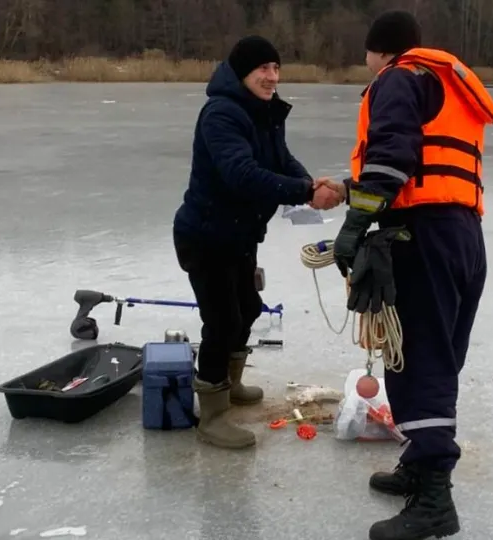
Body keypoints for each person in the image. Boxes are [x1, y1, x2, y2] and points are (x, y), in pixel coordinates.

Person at [331, 10, 493, 540]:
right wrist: (348, 187)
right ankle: (417, 465)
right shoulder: (446, 83)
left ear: (379, 50)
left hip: (423, 237)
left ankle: (434, 501)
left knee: (421, 361)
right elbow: (422, 163)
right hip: (461, 234)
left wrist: (355, 224)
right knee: (437, 356)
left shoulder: (398, 78)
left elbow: (392, 157)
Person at [173, 35, 345, 450]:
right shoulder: (221, 114)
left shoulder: (263, 109)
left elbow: (280, 158)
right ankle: (212, 416)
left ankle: (230, 385)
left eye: (275, 68)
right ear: (241, 73)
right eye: (262, 69)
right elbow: (242, 174)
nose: (272, 77)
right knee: (222, 322)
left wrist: (308, 182)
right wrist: (306, 191)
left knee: (248, 308)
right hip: (206, 236)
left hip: (239, 235)